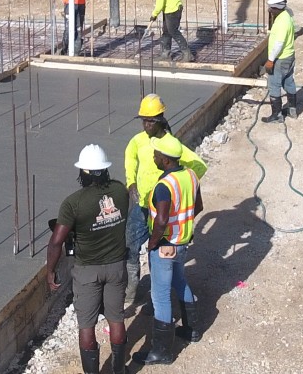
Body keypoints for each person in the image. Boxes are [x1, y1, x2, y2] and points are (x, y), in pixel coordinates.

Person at [46, 144, 130, 374]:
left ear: (83, 173)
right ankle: (119, 370)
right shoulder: (121, 191)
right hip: (116, 266)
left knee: (87, 325)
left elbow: (56, 242)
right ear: (105, 170)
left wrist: (50, 271)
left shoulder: (73, 203)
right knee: (116, 319)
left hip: (86, 271)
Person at [124, 93, 206, 309]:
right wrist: (131, 183)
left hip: (161, 213)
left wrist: (183, 185)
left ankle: (156, 295)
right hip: (142, 207)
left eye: (151, 120)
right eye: (144, 120)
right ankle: (131, 289)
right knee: (130, 247)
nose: (146, 125)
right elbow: (129, 159)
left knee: (157, 252)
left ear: (160, 119)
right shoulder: (138, 141)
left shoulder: (170, 144)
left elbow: (198, 165)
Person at [141, 133, 204, 365]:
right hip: (183, 242)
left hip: (165, 246)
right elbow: (198, 206)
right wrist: (184, 226)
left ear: (166, 159)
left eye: (156, 154)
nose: (154, 156)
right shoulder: (191, 175)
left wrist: (153, 243)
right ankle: (191, 329)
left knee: (160, 296)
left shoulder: (163, 186)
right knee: (180, 281)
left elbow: (161, 220)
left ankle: (162, 351)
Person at [263, 0, 298, 123]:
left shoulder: (282, 22)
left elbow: (279, 43)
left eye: (271, 8)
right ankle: (292, 110)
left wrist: (271, 60)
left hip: (280, 59)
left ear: (277, 7)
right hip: (289, 56)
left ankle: (277, 115)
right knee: (289, 81)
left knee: (274, 85)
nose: (270, 10)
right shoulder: (287, 16)